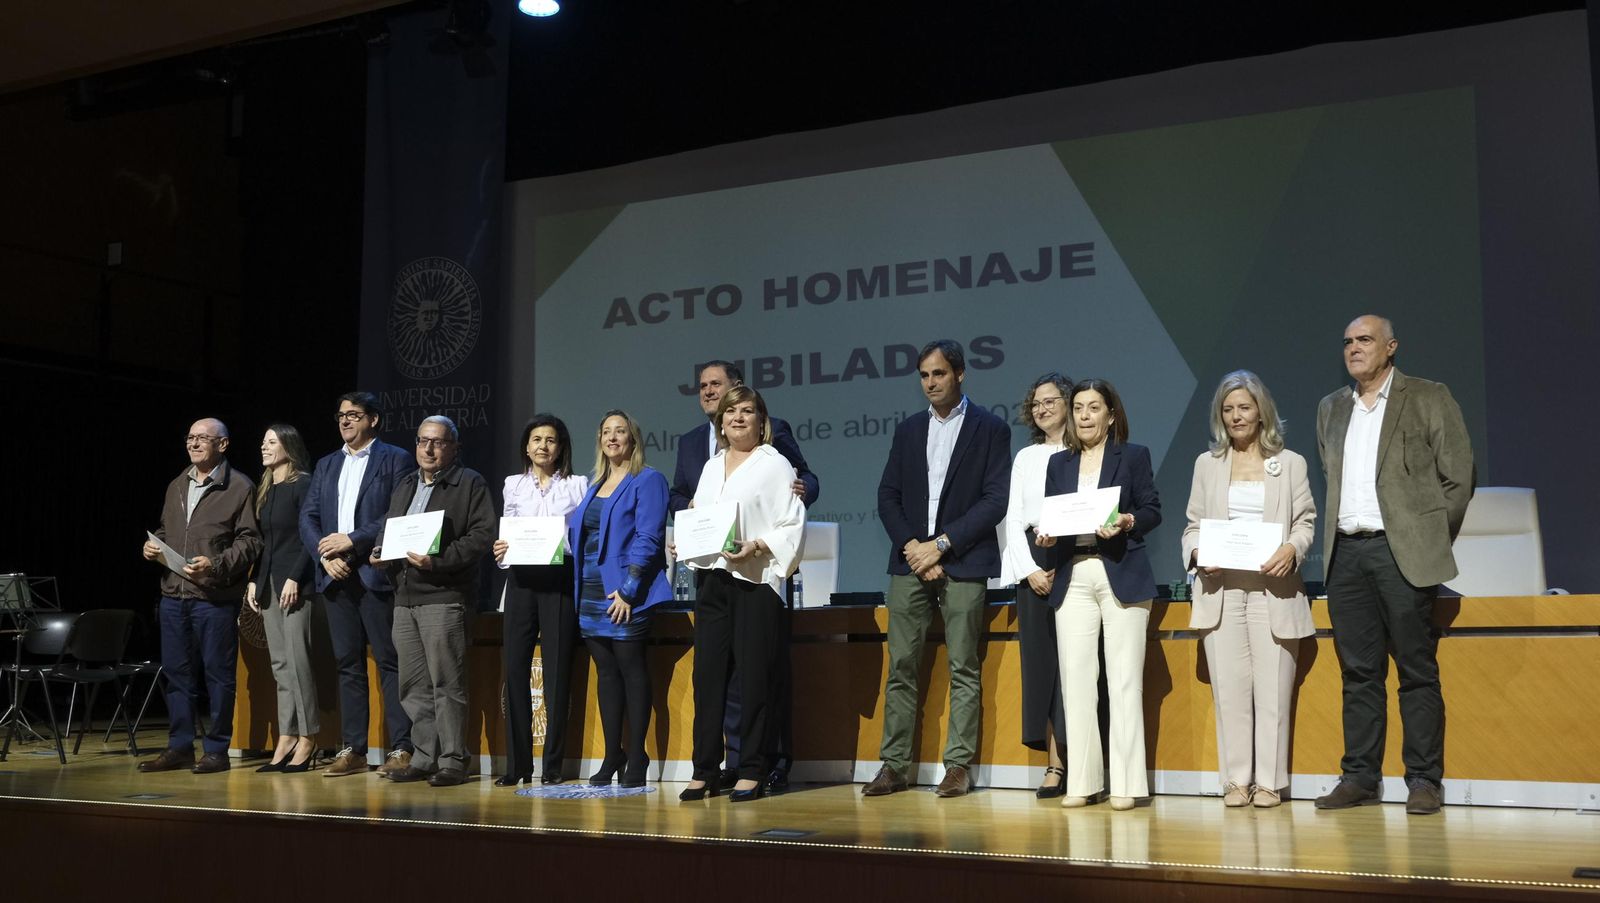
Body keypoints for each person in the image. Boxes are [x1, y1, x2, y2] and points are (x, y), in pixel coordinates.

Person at [1313, 315, 1474, 816]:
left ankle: (1424, 779)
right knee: (1358, 673)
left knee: (1416, 670)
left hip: (1401, 553)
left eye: (1364, 340)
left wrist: (1423, 537)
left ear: (1391, 348)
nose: (1354, 348)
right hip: (1346, 554)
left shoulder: (1427, 396)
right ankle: (1359, 776)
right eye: (1347, 342)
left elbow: (1458, 478)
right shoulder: (1331, 408)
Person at [864, 340, 1011, 799]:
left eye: (939, 374)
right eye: (924, 375)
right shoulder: (907, 430)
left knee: (965, 666)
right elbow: (887, 495)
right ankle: (893, 766)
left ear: (960, 374)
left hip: (964, 562)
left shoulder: (991, 428)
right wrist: (914, 548)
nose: (931, 383)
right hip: (910, 563)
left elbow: (995, 500)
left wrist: (941, 546)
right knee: (901, 667)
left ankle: (958, 766)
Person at [670, 359, 818, 791]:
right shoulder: (711, 466)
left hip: (754, 582)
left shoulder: (775, 465)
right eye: (731, 411)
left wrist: (757, 546)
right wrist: (686, 539)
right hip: (712, 580)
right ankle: (704, 770)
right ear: (721, 421)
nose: (737, 417)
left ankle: (752, 769)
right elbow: (699, 513)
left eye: (747, 411)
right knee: (708, 676)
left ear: (761, 420)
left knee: (754, 678)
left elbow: (792, 523)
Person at [1181, 371, 1315, 808]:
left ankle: (1270, 782)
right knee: (1231, 692)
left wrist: (1293, 548)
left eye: (1244, 407)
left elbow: (1306, 522)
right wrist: (1199, 553)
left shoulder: (1290, 463)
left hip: (1273, 591)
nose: (1236, 416)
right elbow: (1192, 526)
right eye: (1228, 409)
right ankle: (1236, 780)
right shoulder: (1208, 464)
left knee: (1273, 692)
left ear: (1261, 411)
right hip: (1222, 591)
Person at [1037, 378, 1161, 811]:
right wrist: (1045, 538)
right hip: (1073, 573)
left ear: (1111, 414)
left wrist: (1127, 520)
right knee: (1075, 682)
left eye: (1093, 408)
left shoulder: (1134, 456)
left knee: (1124, 682)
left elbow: (1151, 509)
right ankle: (1084, 783)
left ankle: (1126, 785)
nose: (1084, 416)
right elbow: (1048, 523)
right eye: (1078, 408)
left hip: (1120, 572)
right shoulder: (1059, 465)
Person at [371, 416, 496, 787]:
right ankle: (425, 756)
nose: (428, 449)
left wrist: (437, 561)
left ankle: (454, 759)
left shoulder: (469, 482)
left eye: (438, 442)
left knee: (447, 683)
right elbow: (390, 529)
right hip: (404, 598)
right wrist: (381, 552)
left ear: (453, 447)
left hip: (444, 597)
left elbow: (482, 535)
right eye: (423, 441)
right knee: (413, 686)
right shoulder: (406, 484)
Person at [299, 391, 415, 778]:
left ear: (373, 420)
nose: (346, 421)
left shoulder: (395, 458)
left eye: (354, 415)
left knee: (389, 662)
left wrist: (351, 541)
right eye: (341, 415)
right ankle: (354, 749)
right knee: (348, 664)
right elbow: (309, 517)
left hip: (373, 573)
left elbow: (394, 513)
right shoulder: (327, 463)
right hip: (335, 578)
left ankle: (402, 748)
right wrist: (324, 557)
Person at [138, 418, 262, 774]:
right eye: (189, 437)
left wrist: (216, 564)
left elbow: (250, 541)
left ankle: (217, 750)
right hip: (174, 595)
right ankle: (179, 747)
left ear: (222, 445)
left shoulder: (239, 486)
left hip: (213, 598)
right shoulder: (178, 483)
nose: (193, 444)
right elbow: (167, 530)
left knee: (218, 677)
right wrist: (153, 546)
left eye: (202, 438)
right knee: (176, 675)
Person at [568, 410, 672, 788]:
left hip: (626, 591)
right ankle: (613, 753)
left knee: (630, 668)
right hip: (589, 591)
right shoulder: (595, 484)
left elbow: (648, 536)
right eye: (607, 432)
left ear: (633, 438)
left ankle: (638, 755)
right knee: (606, 673)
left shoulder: (648, 480)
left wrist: (629, 589)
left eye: (621, 431)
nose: (613, 438)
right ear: (599, 439)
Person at [491, 414, 588, 786]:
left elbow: (581, 537)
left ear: (560, 447)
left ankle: (552, 767)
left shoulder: (578, 486)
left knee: (557, 673)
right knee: (514, 670)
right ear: (526, 447)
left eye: (550, 440)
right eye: (536, 439)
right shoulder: (512, 484)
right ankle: (517, 767)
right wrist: (500, 549)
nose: (543, 446)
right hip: (519, 582)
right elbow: (508, 533)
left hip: (559, 581)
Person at [1002, 372, 1073, 799]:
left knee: (1076, 667)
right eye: (1036, 403)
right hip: (1032, 562)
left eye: (1051, 400)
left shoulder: (1084, 453)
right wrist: (1029, 569)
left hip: (1075, 557)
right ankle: (1055, 764)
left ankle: (1083, 760)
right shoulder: (1026, 457)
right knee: (1042, 667)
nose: (1042, 408)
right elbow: (1012, 518)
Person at [248, 423, 320, 773]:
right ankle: (287, 735)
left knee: (298, 661)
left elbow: (309, 537)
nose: (264, 447)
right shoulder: (266, 489)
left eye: (271, 442)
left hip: (295, 586)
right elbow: (265, 544)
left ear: (288, 447)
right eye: (263, 442)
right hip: (268, 586)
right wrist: (254, 581)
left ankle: (308, 736)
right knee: (279, 665)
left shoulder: (302, 484)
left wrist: (295, 576)